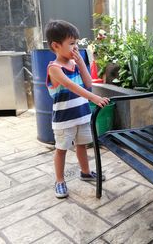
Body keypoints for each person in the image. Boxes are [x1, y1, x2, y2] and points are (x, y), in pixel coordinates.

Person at [45, 20, 110, 198]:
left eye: (77, 43)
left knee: (82, 145)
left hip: (81, 116)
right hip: (64, 120)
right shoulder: (54, 69)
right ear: (56, 46)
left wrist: (81, 61)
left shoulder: (74, 65)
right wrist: (94, 98)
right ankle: (59, 180)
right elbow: (73, 87)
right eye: (72, 43)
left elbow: (88, 84)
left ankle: (85, 172)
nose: (76, 47)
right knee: (61, 150)